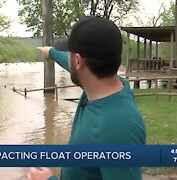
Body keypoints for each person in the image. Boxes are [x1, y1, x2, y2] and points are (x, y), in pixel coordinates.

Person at [28, 16, 146, 180]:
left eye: (69, 54)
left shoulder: (117, 127)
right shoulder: (113, 85)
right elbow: (73, 65)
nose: (66, 57)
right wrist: (51, 53)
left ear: (77, 61)